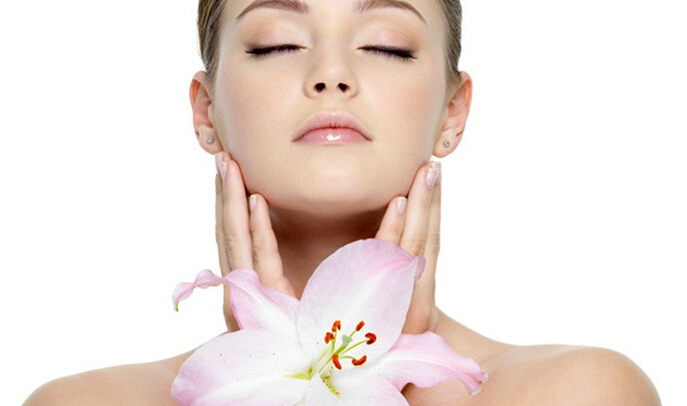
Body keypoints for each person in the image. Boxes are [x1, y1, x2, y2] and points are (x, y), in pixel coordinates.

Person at [22, 0, 661, 405]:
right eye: (276, 42)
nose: (331, 74)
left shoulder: (580, 392)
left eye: (386, 44)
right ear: (206, 111)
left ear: (453, 112)